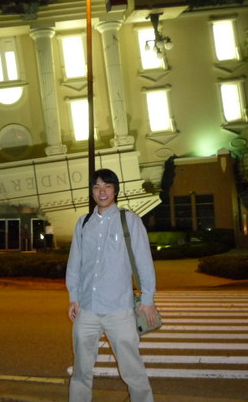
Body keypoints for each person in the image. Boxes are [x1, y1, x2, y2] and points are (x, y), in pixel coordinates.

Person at [66, 168, 159, 402]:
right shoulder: (83, 223)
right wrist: (74, 297)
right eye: (96, 187)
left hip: (119, 310)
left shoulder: (130, 221)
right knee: (81, 371)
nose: (102, 191)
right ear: (91, 192)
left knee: (132, 371)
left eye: (107, 186)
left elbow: (144, 262)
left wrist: (147, 300)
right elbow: (75, 262)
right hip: (87, 309)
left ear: (115, 190)